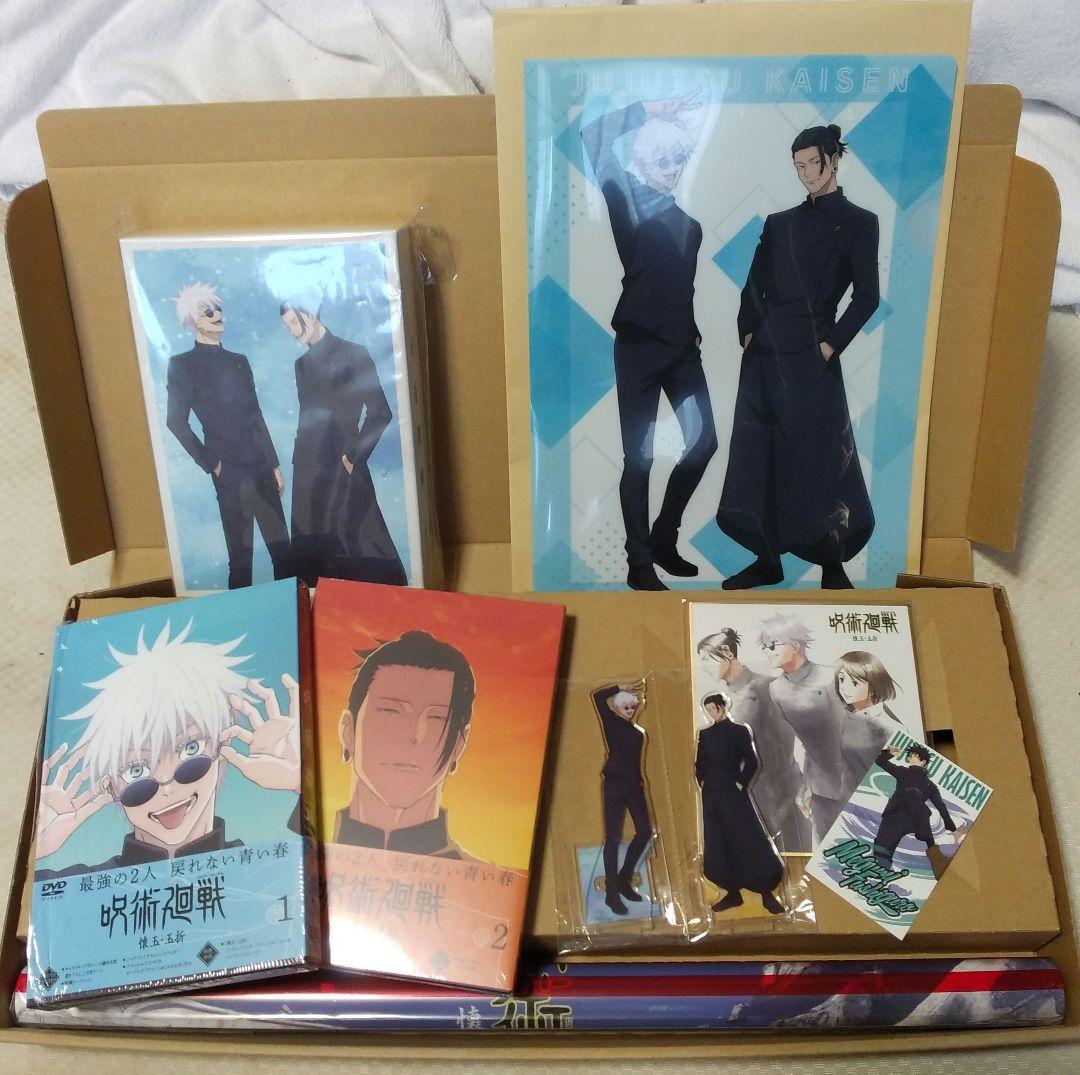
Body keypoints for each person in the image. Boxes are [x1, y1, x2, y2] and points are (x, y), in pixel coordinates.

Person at [717, 124, 879, 590]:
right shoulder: (778, 222)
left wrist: (830, 345)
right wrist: (748, 330)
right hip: (765, 356)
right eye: (799, 166)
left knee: (820, 457)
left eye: (813, 163)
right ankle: (767, 560)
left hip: (814, 355)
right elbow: (755, 283)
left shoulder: (860, 222)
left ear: (833, 159)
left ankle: (832, 565)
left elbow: (867, 296)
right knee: (758, 458)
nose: (807, 173)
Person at [35, 621, 301, 878]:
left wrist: (304, 785)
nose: (167, 787)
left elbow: (322, 878)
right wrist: (35, 846)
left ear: (223, 744)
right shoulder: (81, 884)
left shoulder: (268, 870)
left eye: (190, 749)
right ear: (110, 786)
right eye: (136, 770)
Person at [581, 91, 717, 591]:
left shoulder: (691, 227)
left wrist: (692, 329)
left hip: (682, 350)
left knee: (703, 443)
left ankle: (663, 538)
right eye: (662, 160)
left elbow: (678, 287)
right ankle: (639, 564)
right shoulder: (627, 200)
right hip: (638, 348)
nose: (673, 168)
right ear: (641, 162)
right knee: (638, 458)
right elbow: (592, 137)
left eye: (678, 159)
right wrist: (647, 111)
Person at [167, 283, 292, 589]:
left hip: (261, 466)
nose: (217, 315)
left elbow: (256, 414)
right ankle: (242, 614)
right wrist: (212, 463)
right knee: (240, 558)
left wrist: (274, 464)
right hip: (228, 472)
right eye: (207, 311)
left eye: (218, 309)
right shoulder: (182, 365)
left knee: (284, 553)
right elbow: (175, 421)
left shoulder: (239, 361)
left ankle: (292, 610)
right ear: (193, 320)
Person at [281, 294, 407, 588]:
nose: (292, 332)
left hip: (344, 464)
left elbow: (380, 412)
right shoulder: (301, 365)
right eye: (287, 327)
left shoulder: (354, 353)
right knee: (310, 557)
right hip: (306, 470)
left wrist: (353, 455)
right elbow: (306, 418)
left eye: (293, 324)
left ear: (310, 315)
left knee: (361, 544)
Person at [335, 630, 477, 858]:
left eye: (437, 718)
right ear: (348, 730)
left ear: (459, 744)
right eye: (390, 711)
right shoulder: (302, 849)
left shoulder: (482, 876)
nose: (413, 735)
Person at [696, 629, 810, 852]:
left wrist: (801, 789)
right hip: (744, 799)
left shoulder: (766, 687)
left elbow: (798, 741)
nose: (704, 666)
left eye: (708, 658)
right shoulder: (723, 701)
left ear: (727, 653)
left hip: (783, 801)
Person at [758, 613, 847, 847]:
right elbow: (799, 743)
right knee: (829, 850)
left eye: (772, 645)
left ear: (795, 645)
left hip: (857, 774)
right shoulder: (776, 689)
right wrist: (805, 785)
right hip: (819, 785)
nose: (766, 651)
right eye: (763, 647)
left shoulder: (831, 676)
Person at [695, 692, 785, 915]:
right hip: (711, 795)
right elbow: (700, 763)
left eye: (714, 708)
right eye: (708, 709)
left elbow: (752, 761)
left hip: (733, 792)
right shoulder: (705, 734)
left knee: (747, 837)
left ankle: (766, 892)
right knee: (718, 840)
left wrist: (740, 783)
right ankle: (732, 892)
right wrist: (702, 781)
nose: (711, 712)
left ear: (722, 706)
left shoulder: (739, 731)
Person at [592, 683, 653, 915]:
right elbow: (598, 697)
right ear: (618, 708)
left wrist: (640, 781)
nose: (629, 710)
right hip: (614, 785)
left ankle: (624, 878)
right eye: (625, 706)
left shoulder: (637, 732)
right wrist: (620, 687)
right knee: (613, 838)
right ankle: (611, 893)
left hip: (634, 786)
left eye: (632, 706)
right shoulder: (611, 723)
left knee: (645, 832)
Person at [872, 743, 960, 879]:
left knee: (930, 847)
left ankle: (941, 869)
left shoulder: (928, 784)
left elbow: (940, 806)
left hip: (913, 817)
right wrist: (889, 752)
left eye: (915, 756)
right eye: (910, 755)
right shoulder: (903, 772)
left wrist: (952, 828)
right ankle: (880, 873)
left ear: (923, 761)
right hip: (900, 815)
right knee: (883, 846)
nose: (911, 757)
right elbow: (880, 761)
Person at [834, 650, 904, 798]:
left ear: (873, 687)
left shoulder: (890, 727)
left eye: (854, 683)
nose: (844, 687)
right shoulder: (838, 717)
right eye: (841, 679)